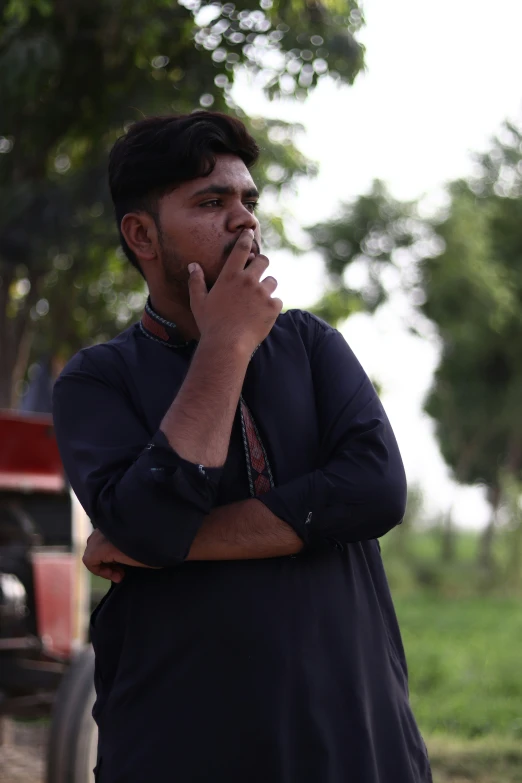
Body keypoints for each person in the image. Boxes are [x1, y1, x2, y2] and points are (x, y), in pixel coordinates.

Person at [52, 111, 432, 783]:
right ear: (142, 234)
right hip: (180, 747)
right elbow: (150, 514)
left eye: (248, 200)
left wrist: (172, 541)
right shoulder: (96, 380)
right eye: (211, 202)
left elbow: (374, 488)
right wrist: (224, 346)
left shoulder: (312, 345)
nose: (245, 220)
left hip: (354, 741)